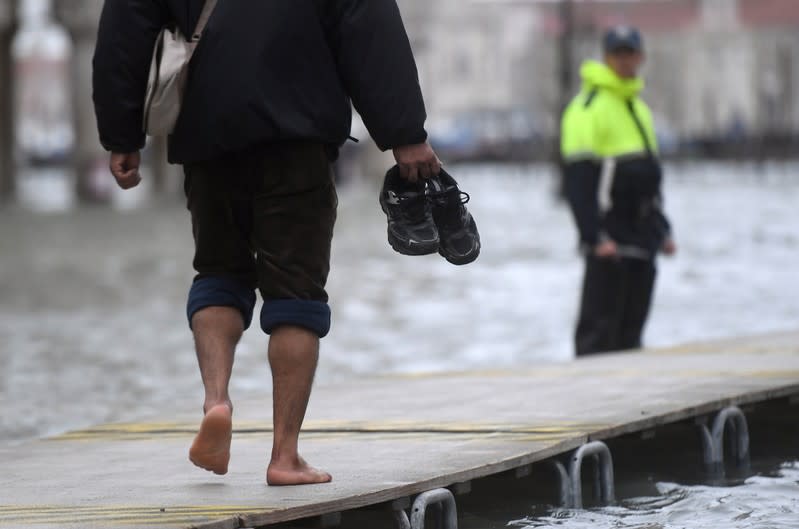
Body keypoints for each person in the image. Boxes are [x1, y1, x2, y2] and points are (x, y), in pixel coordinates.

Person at [92, 0, 441, 485]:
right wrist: (404, 134)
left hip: (206, 130)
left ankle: (216, 400)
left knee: (217, 270)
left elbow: (124, 27)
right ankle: (284, 457)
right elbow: (370, 28)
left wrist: (121, 132)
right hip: (297, 132)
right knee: (296, 292)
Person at [560, 26, 677, 356]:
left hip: (643, 239)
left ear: (641, 57)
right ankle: (591, 402)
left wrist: (662, 228)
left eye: (631, 54)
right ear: (607, 57)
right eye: (618, 54)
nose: (625, 61)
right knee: (597, 337)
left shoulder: (639, 109)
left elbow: (650, 180)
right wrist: (593, 236)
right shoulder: (587, 107)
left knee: (632, 336)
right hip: (609, 241)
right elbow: (579, 181)